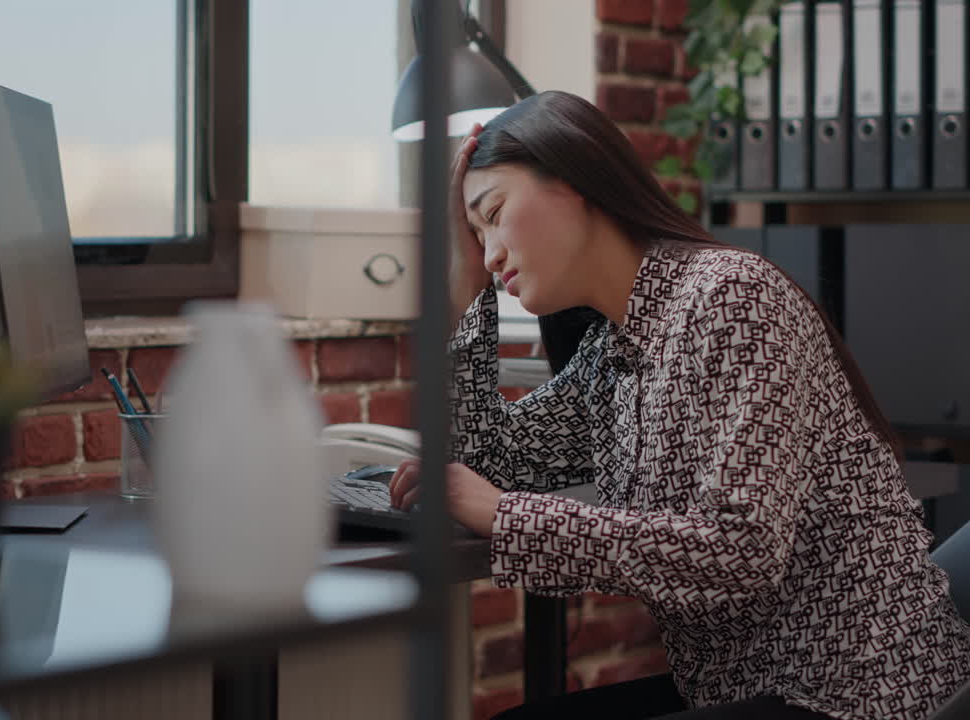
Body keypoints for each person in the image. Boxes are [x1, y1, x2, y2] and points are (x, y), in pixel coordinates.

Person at [387, 90, 970, 720]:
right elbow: (490, 459)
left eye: (494, 213)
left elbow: (743, 549)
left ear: (577, 181)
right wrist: (461, 286)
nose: (489, 251)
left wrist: (503, 515)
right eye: (475, 235)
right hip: (749, 691)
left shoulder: (731, 298)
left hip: (856, 695)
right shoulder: (614, 350)